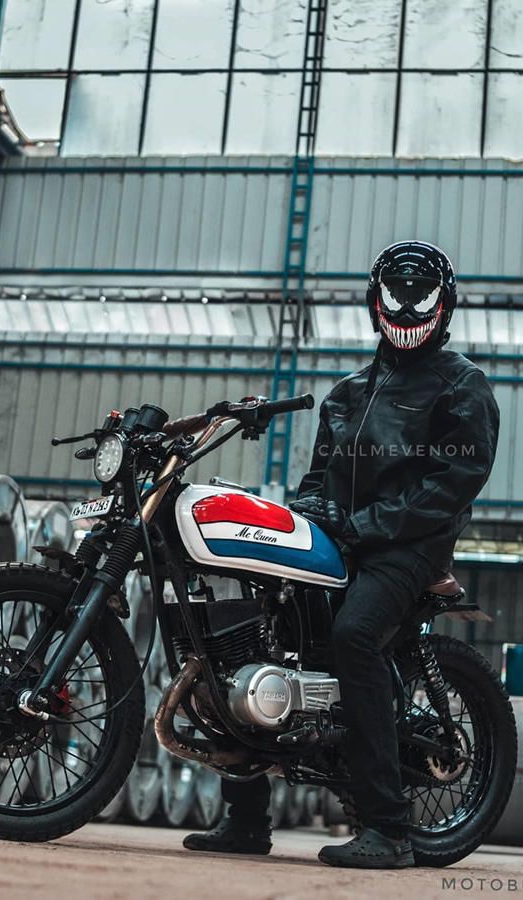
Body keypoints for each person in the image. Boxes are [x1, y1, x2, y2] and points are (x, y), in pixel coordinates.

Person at [183, 241, 500, 868]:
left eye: (421, 297)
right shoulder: (348, 393)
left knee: (356, 635)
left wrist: (366, 525)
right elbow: (317, 477)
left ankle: (390, 829)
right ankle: (246, 820)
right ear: (374, 302)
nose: (407, 310)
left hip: (407, 551)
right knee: (250, 633)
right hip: (341, 542)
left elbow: (451, 485)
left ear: (444, 305)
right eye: (395, 296)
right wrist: (308, 517)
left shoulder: (462, 386)